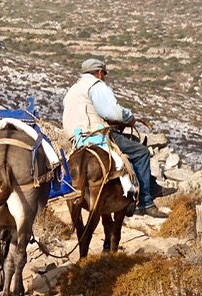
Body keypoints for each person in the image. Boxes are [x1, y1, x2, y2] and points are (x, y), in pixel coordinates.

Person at [61, 58, 164, 217]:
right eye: (104, 74)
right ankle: (145, 202)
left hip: (76, 139)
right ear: (99, 73)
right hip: (95, 134)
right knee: (141, 151)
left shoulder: (73, 90)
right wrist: (129, 117)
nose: (104, 77)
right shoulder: (96, 86)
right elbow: (112, 112)